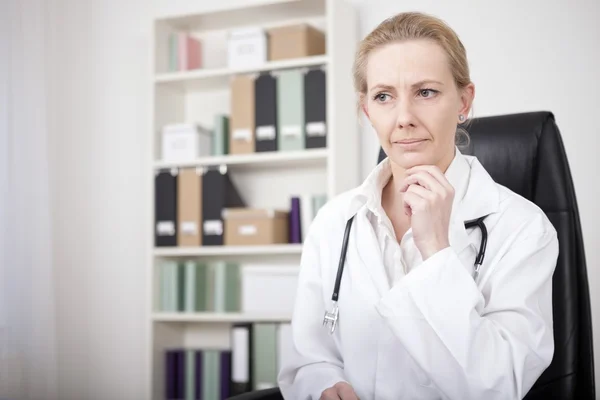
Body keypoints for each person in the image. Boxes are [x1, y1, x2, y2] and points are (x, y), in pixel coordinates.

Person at [277, 11, 559, 400]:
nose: (404, 118)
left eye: (425, 92)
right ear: (366, 110)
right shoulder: (334, 221)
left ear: (464, 100)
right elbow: (305, 359)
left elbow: (499, 386)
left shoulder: (524, 228)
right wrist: (323, 385)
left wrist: (436, 252)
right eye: (384, 96)